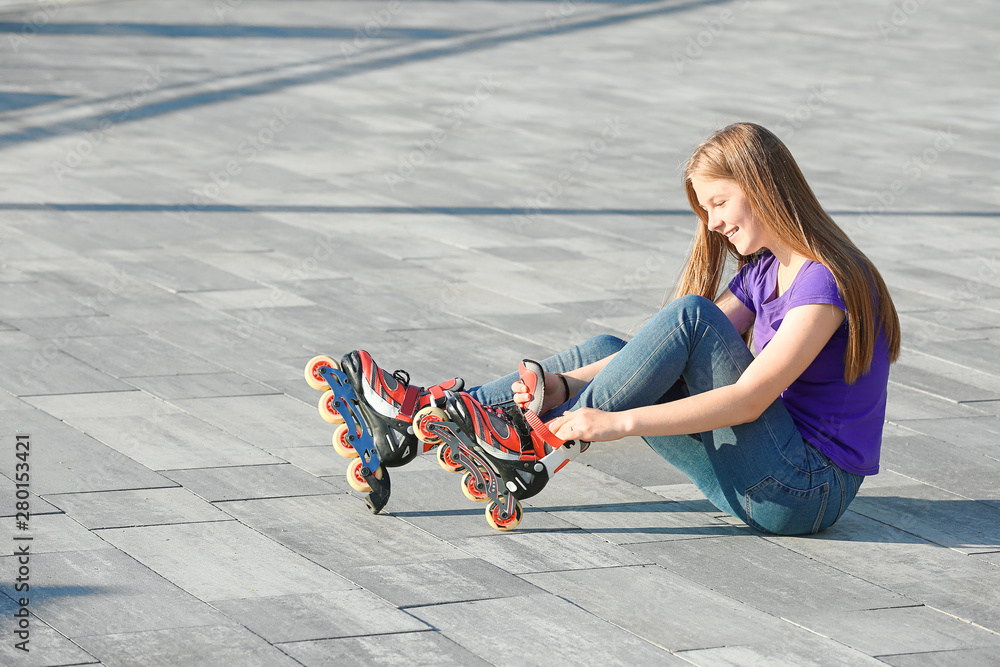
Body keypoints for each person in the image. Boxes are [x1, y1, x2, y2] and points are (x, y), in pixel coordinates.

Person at [321, 122, 899, 535]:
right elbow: (663, 352)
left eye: (720, 202)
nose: (716, 223)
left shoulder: (826, 282)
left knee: (690, 315)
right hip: (765, 473)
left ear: (764, 184)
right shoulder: (766, 271)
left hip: (803, 493)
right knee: (606, 349)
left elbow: (748, 399)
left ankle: (528, 444)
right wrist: (563, 386)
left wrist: (616, 422)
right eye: (707, 211)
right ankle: (414, 418)